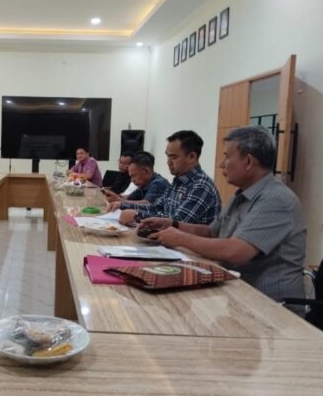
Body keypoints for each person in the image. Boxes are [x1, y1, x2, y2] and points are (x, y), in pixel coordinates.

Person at [141, 126, 306, 309]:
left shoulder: (276, 199)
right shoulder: (241, 194)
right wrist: (173, 224)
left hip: (270, 307)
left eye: (227, 157)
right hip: (237, 294)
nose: (221, 164)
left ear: (248, 161)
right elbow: (211, 232)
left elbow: (235, 251)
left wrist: (180, 238)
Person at [114, 130, 221, 226]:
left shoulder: (200, 187)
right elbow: (157, 207)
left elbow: (178, 223)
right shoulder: (178, 181)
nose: (168, 162)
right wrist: (122, 205)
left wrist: (137, 215)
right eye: (167, 156)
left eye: (173, 157)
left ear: (191, 157)